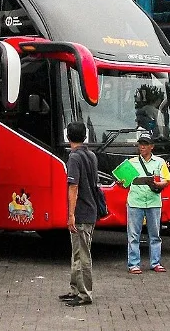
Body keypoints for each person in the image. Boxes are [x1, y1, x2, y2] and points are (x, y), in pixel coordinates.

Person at [61, 121, 97, 307]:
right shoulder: (91, 155)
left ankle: (85, 294)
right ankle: (75, 289)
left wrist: (71, 214)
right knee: (77, 253)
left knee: (82, 255)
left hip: (81, 212)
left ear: (68, 136)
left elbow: (73, 187)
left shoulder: (74, 158)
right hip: (91, 210)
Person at [123, 133, 170, 274]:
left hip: (153, 202)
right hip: (135, 201)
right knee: (133, 235)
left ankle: (155, 262)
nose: (142, 146)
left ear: (152, 146)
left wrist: (157, 183)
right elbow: (124, 183)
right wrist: (122, 182)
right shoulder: (131, 162)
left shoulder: (160, 162)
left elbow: (167, 180)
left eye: (145, 144)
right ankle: (133, 264)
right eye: (140, 144)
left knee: (155, 234)